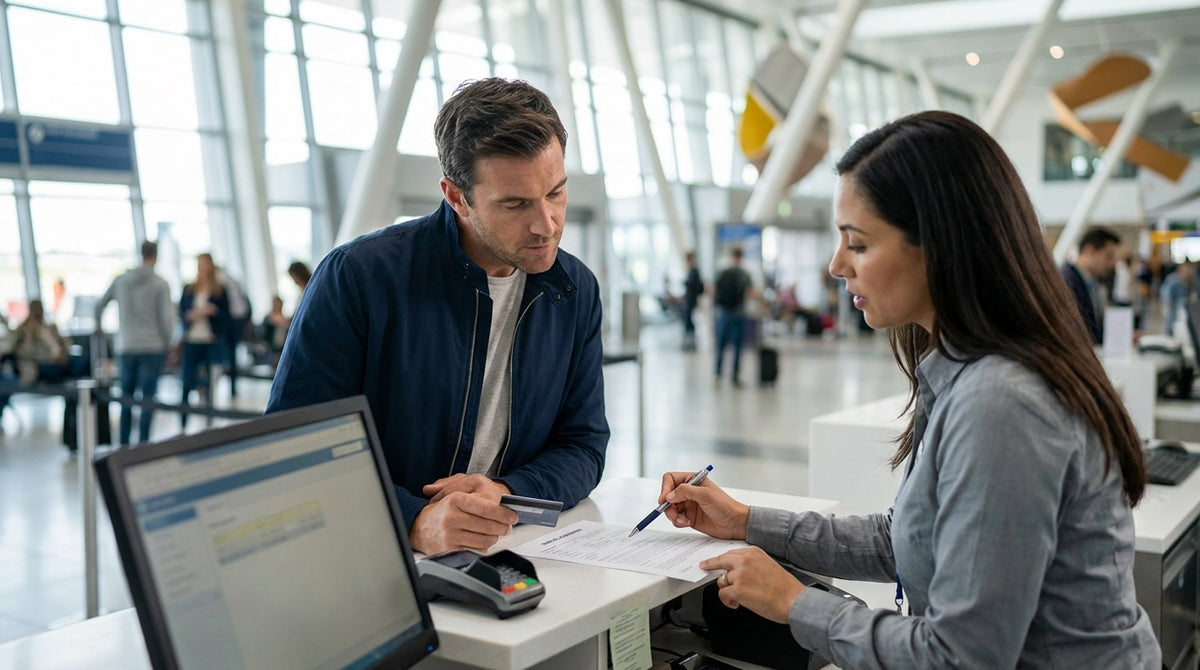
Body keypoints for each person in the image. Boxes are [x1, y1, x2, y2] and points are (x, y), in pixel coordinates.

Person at [656, 111, 1159, 668]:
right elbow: (902, 540)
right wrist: (745, 520)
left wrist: (794, 603)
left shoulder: (1002, 403)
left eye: (859, 244)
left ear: (938, 247)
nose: (836, 265)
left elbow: (961, 657)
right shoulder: (961, 371)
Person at [267, 77, 609, 556]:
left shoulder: (573, 289)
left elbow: (583, 444)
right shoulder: (361, 278)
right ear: (456, 196)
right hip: (369, 555)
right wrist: (413, 521)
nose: (546, 224)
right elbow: (294, 451)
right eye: (515, 204)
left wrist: (507, 492)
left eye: (555, 193)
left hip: (506, 552)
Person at [95, 240, 174, 445]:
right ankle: (143, 443)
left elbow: (99, 305)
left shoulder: (121, 280)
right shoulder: (160, 283)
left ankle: (123, 443)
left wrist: (99, 327)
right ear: (155, 255)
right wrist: (168, 344)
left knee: (125, 397)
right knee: (148, 398)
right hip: (153, 346)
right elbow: (166, 319)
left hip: (126, 344)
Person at [178, 253, 229, 428]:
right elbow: (182, 313)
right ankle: (183, 423)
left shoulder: (219, 290)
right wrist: (191, 315)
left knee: (210, 384)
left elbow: (226, 317)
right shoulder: (189, 288)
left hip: (210, 340)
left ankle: (209, 421)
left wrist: (212, 312)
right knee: (187, 380)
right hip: (192, 339)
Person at [1060, 227, 1120, 344]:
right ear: (1088, 251)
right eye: (1108, 256)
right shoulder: (1066, 281)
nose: (1112, 263)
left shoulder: (1093, 283)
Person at [712, 246, 754, 387]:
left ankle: (717, 375)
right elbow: (750, 292)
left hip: (723, 312)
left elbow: (713, 290)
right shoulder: (744, 274)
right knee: (737, 346)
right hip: (738, 312)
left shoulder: (723, 272)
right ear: (741, 256)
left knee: (721, 345)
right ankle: (735, 378)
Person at [10, 299, 70, 384]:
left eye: (40, 309)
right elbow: (24, 353)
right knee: (56, 369)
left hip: (55, 360)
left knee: (77, 363)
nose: (38, 312)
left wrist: (51, 340)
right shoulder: (23, 329)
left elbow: (62, 347)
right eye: (36, 309)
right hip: (37, 365)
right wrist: (30, 337)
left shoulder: (50, 327)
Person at [215, 265, 250, 396]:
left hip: (227, 323)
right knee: (231, 356)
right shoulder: (232, 280)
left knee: (225, 356)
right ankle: (232, 386)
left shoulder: (220, 280)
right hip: (236, 320)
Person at [1160, 260, 1197, 337]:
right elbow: (1167, 300)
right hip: (1173, 315)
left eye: (1190, 269)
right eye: (1186, 269)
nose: (1188, 272)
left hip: (1184, 315)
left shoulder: (1191, 281)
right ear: (1180, 269)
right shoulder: (1172, 281)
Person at [681, 251, 704, 351]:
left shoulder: (694, 271)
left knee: (689, 322)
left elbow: (697, 287)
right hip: (689, 299)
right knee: (688, 321)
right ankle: (689, 342)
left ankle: (691, 343)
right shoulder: (691, 271)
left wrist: (687, 284)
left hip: (691, 300)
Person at [259, 295, 289, 366]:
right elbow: (264, 335)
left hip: (282, 348)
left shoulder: (286, 320)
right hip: (270, 348)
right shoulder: (268, 318)